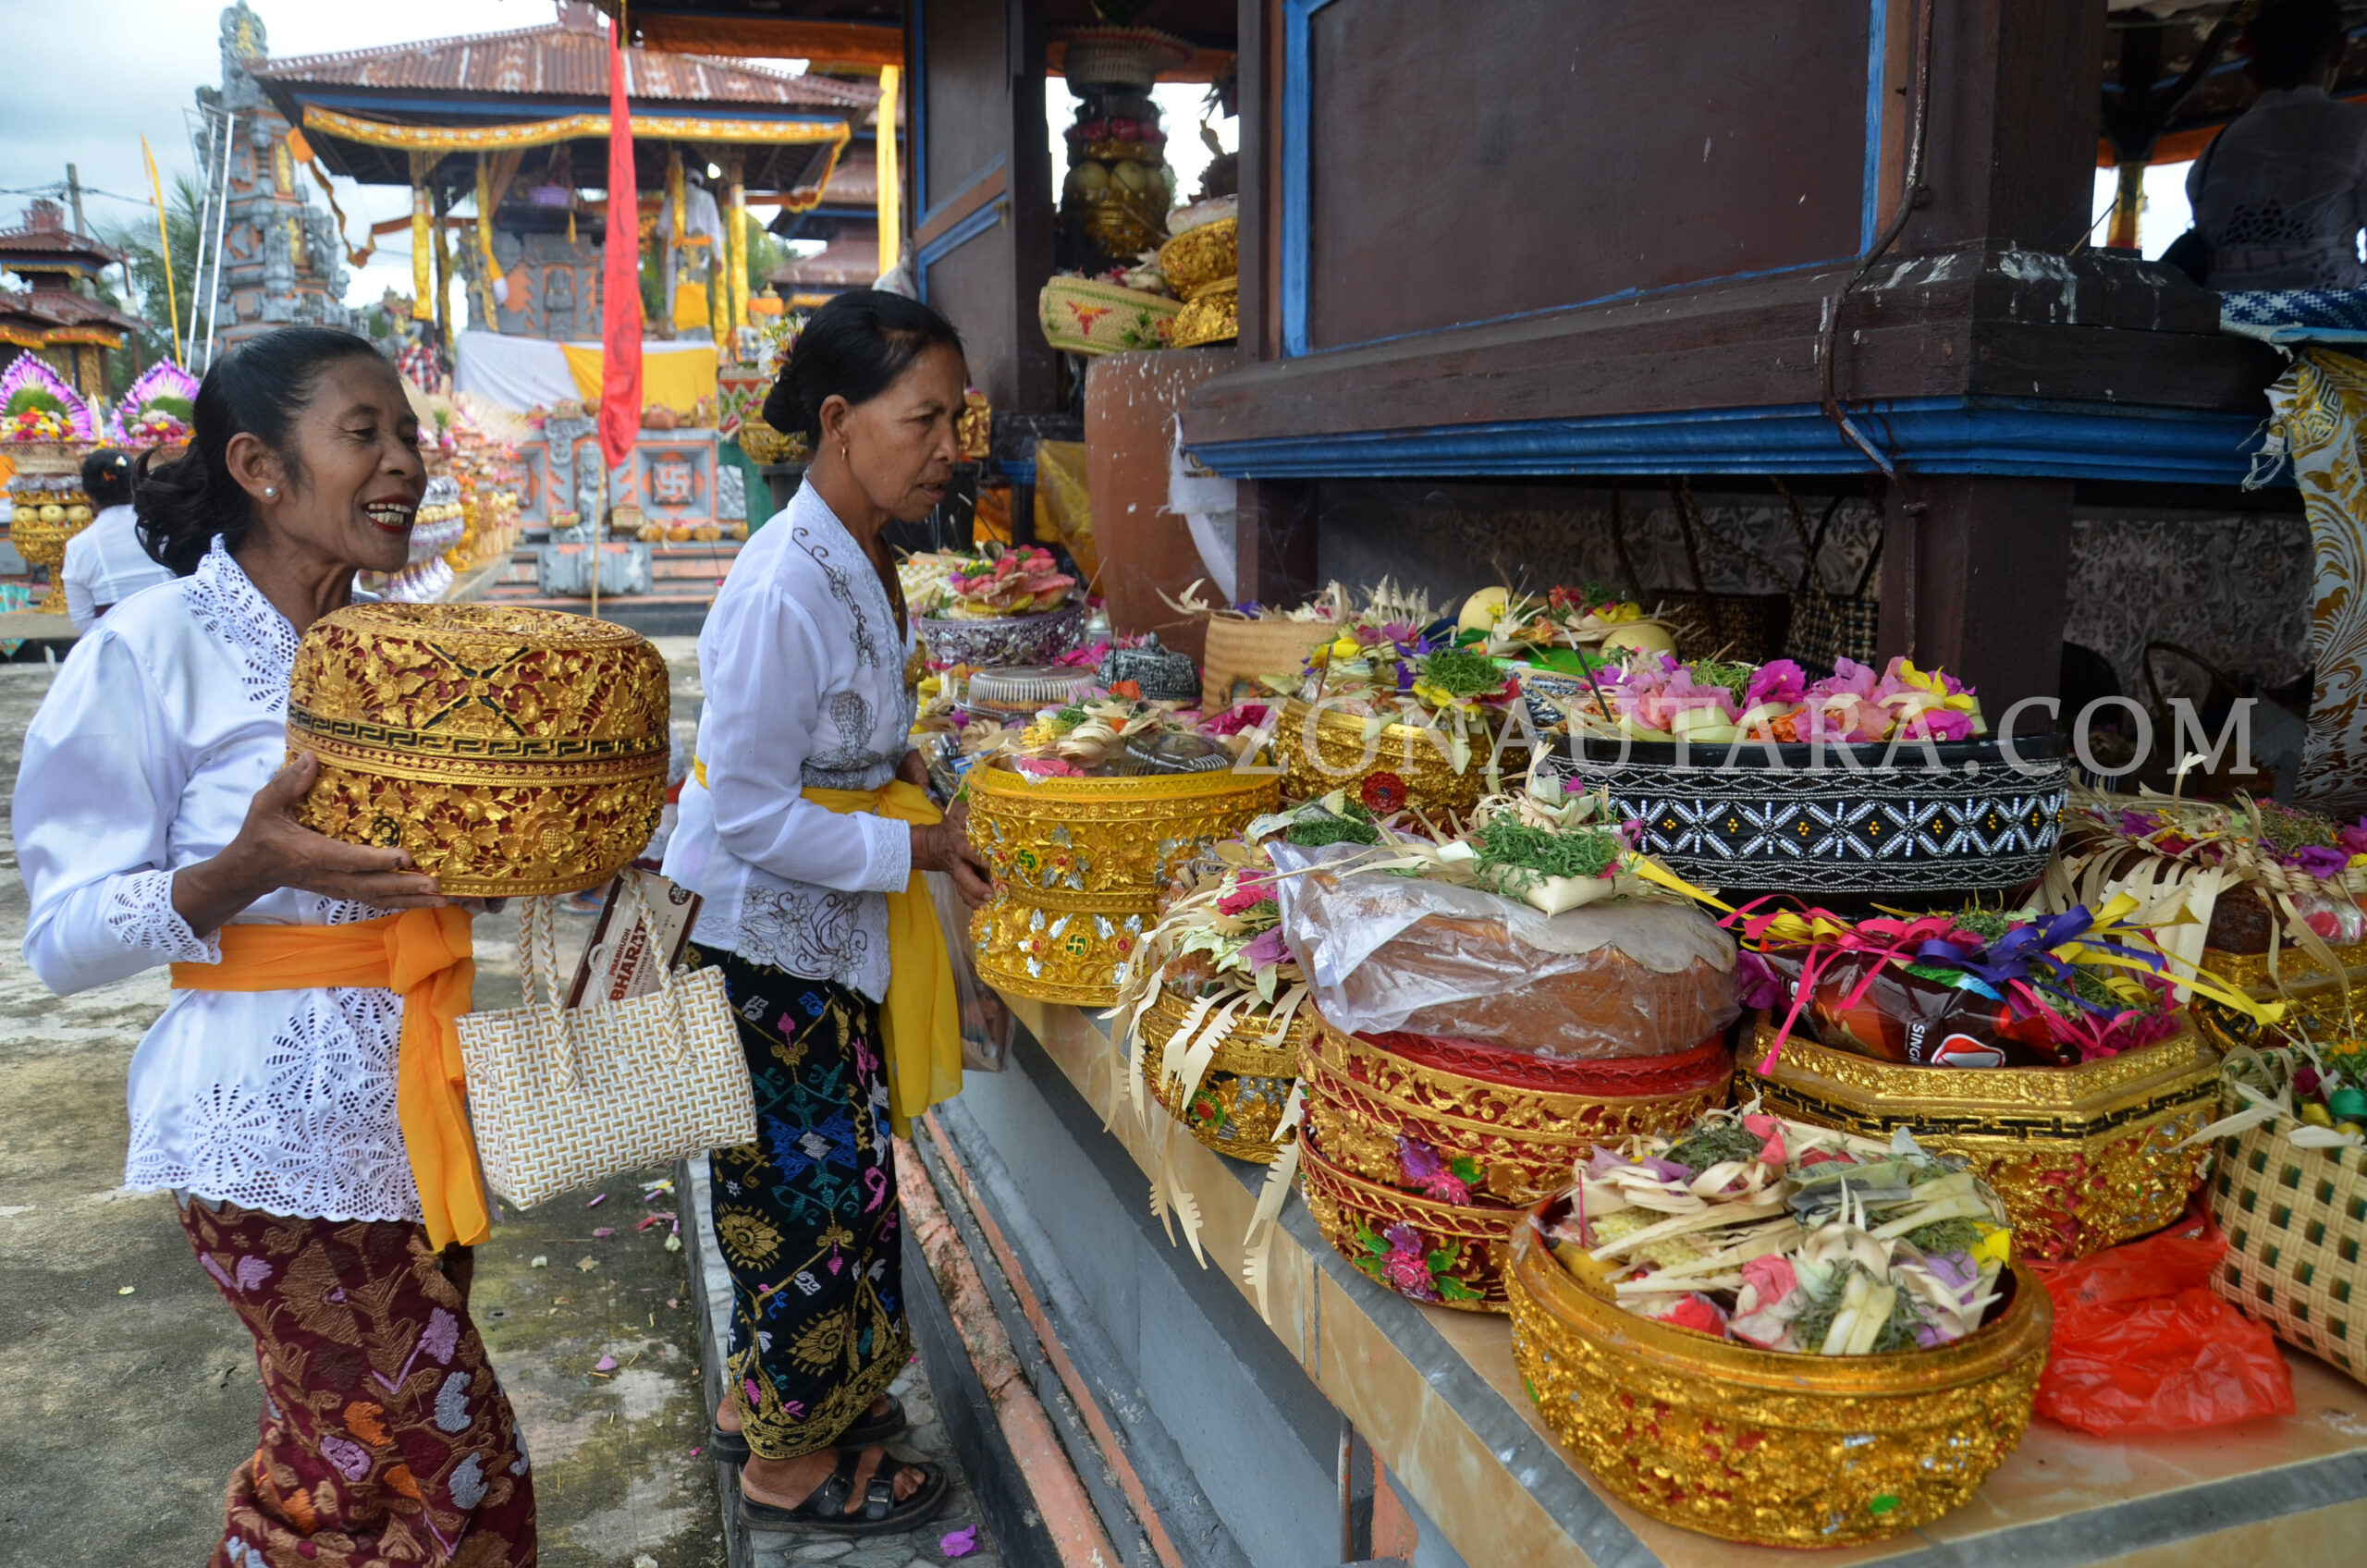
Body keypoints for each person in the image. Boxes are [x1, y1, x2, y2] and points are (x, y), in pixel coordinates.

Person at [14, 327, 534, 1566]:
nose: (405, 461)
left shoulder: (409, 654)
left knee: (336, 1477)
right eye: (365, 434)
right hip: (265, 1136)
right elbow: (60, 941)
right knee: (458, 1464)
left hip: (416, 1111)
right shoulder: (152, 653)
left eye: (408, 433)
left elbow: (431, 869)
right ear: (260, 465)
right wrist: (249, 867)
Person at [661, 289, 989, 1536]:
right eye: (926, 421)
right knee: (803, 1206)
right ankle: (788, 1471)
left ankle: (780, 1403)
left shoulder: (855, 556)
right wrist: (918, 846)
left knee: (840, 1185)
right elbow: (746, 812)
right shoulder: (781, 589)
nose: (949, 448)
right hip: (761, 945)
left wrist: (918, 826)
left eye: (956, 419)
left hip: (818, 935)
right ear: (841, 421)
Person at [2185, 0, 2367, 291]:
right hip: (2324, 318)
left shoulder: (2218, 146)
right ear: (2338, 49)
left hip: (2222, 319)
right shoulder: (2359, 128)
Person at [60, 446, 175, 632]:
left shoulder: (78, 547)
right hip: (173, 633)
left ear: (88, 494)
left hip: (117, 645)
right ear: (136, 485)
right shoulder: (163, 530)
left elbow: (83, 622)